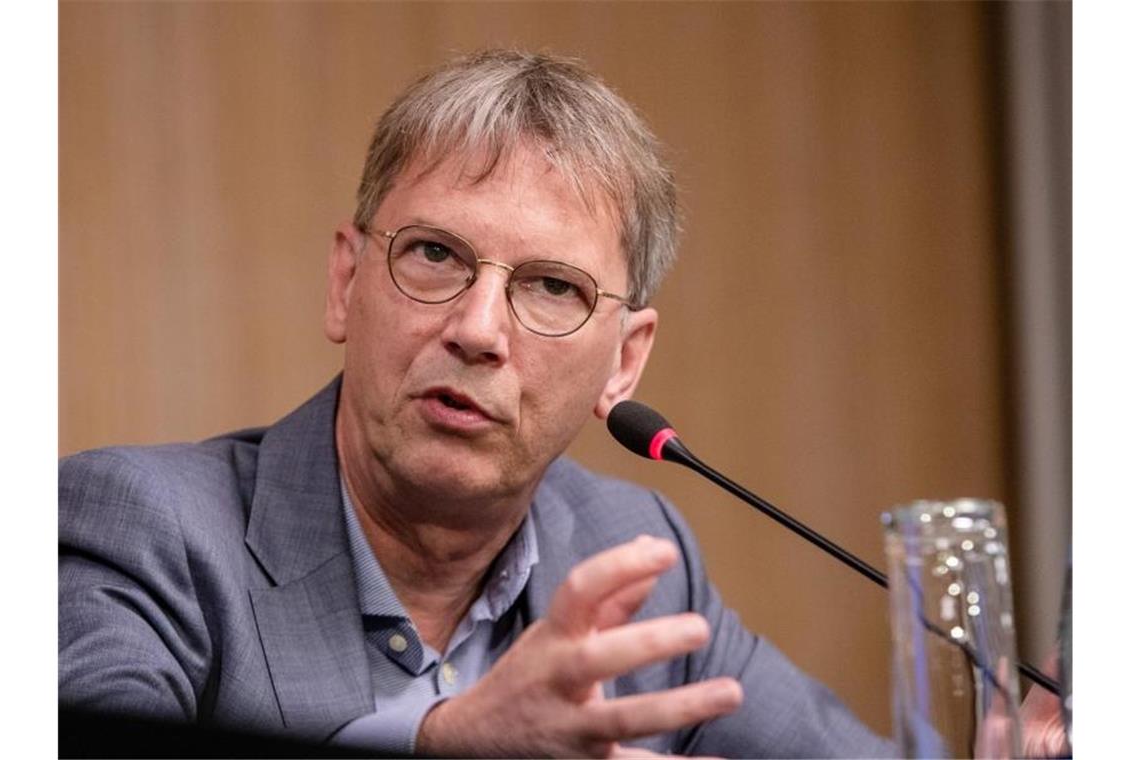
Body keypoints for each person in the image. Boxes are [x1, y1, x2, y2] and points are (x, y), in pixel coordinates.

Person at [59, 49, 1062, 758]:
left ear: (624, 362)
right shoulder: (139, 530)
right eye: (436, 256)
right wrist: (443, 746)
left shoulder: (629, 555)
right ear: (346, 281)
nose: (480, 328)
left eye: (551, 288)